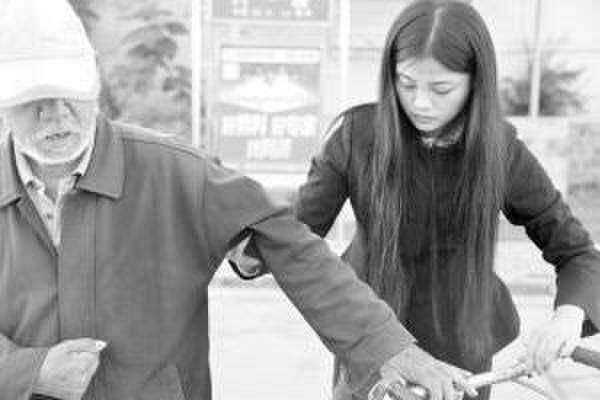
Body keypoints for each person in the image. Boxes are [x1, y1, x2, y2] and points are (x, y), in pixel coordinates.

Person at [0, 1, 479, 400]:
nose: (55, 115)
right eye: (31, 100)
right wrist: (27, 371)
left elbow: (294, 249)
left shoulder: (177, 174)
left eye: (69, 95)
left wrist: (389, 349)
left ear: (93, 85)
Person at [232, 1, 600, 399]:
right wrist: (236, 239)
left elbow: (577, 252)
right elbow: (295, 234)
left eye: (441, 89)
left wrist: (568, 315)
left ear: (475, 83)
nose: (421, 103)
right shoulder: (355, 136)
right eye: (407, 84)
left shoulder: (501, 151)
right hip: (372, 344)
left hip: (462, 348)